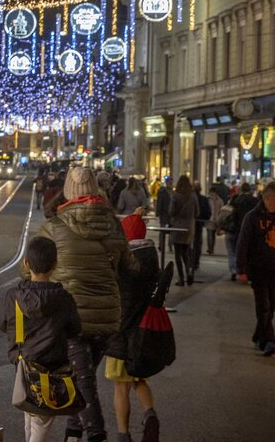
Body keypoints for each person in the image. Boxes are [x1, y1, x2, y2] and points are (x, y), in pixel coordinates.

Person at [38, 167, 137, 442]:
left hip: (72, 317)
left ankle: (96, 432)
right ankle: (73, 432)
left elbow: (32, 269)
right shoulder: (113, 223)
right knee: (83, 374)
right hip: (108, 317)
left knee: (80, 380)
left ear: (68, 190)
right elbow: (130, 267)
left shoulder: (54, 226)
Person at [0, 236, 81, 442]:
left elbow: (2, 323)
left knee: (31, 415)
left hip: (23, 363)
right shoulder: (64, 299)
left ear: (26, 263)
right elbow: (74, 329)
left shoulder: (14, 296)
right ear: (55, 264)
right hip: (52, 368)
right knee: (40, 423)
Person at [107, 209, 161, 442]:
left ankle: (123, 434)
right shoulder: (152, 260)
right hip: (143, 334)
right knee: (138, 379)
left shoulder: (123, 263)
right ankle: (150, 414)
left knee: (121, 386)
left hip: (122, 334)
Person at [236, 182, 275, 356]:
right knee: (263, 305)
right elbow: (243, 244)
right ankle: (269, 341)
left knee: (271, 306)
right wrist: (241, 269)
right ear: (267, 198)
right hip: (258, 268)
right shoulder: (252, 218)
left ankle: (259, 336)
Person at [224, 183, 257, 281]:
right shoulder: (255, 201)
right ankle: (246, 271)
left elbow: (228, 213)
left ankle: (234, 270)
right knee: (247, 251)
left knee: (232, 251)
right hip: (249, 231)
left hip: (234, 230)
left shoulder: (235, 200)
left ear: (241, 190)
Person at [169, 175, 198, 286]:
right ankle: (189, 273)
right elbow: (197, 212)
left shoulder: (176, 196)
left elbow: (171, 211)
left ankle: (181, 279)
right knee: (186, 252)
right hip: (189, 226)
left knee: (178, 254)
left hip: (177, 226)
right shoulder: (193, 196)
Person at [193, 183, 211, 270]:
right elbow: (208, 212)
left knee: (190, 243)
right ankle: (196, 261)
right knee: (197, 242)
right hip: (199, 223)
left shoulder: (190, 199)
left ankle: (191, 261)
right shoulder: (204, 199)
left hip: (190, 223)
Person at [206, 186, 224, 255]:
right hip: (213, 219)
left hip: (213, 219)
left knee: (211, 234)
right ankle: (211, 248)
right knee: (211, 234)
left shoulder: (210, 200)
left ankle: (211, 248)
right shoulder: (218, 200)